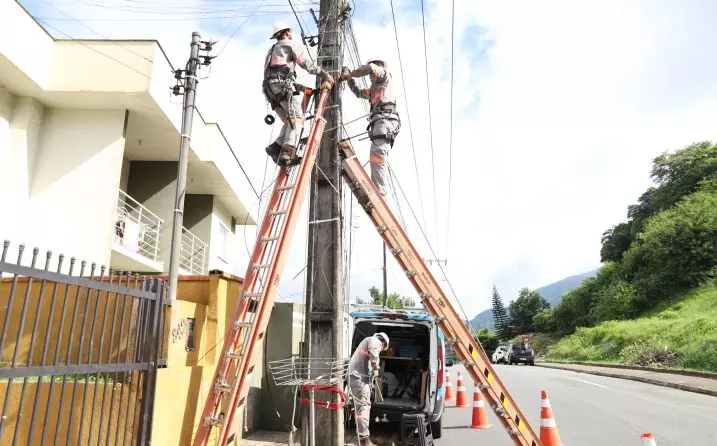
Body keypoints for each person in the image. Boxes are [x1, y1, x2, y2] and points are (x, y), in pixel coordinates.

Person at [263, 22, 334, 166]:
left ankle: (275, 147)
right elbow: (306, 63)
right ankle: (288, 153)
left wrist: (301, 88)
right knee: (298, 118)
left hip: (269, 90)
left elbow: (277, 73)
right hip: (281, 86)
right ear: (287, 32)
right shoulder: (290, 44)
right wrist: (324, 73)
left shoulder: (272, 50)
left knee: (290, 120)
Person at [340, 57, 401, 197]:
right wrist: (349, 77)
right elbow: (357, 92)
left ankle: (380, 192)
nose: (370, 76)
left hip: (385, 120)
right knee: (376, 152)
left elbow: (371, 68)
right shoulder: (375, 89)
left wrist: (350, 74)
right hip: (381, 121)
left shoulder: (385, 76)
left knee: (378, 153)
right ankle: (379, 190)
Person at [348, 332, 389, 446]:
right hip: (358, 378)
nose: (381, 350)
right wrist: (376, 367)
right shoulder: (374, 341)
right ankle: (365, 440)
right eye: (383, 348)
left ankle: (363, 437)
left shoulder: (368, 341)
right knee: (364, 408)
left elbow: (367, 363)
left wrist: (371, 375)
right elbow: (374, 351)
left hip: (358, 378)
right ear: (383, 343)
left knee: (362, 407)